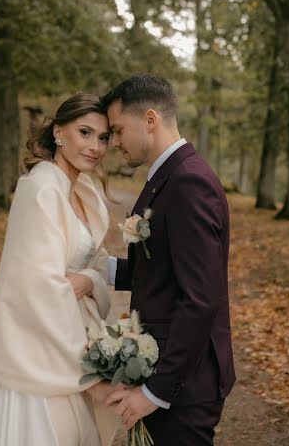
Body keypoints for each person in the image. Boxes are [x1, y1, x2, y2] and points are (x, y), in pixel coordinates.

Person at [0, 93, 119, 446]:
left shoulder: (80, 191)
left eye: (102, 137)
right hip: (41, 352)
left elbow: (92, 264)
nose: (95, 146)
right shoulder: (40, 188)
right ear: (58, 132)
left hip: (73, 333)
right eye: (84, 132)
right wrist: (91, 376)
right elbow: (37, 287)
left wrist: (89, 279)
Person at [101, 75, 236, 446]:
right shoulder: (168, 177)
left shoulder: (189, 183)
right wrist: (103, 270)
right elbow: (165, 269)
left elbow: (200, 299)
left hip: (184, 387)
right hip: (166, 373)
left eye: (117, 130)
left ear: (149, 119)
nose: (113, 143)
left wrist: (155, 392)